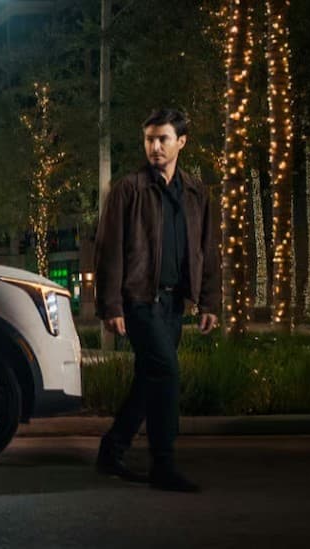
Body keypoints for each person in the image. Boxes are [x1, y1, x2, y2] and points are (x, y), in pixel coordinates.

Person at [93, 108, 221, 493]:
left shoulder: (198, 192)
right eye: (149, 138)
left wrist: (210, 301)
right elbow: (109, 251)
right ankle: (163, 464)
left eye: (163, 138)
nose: (155, 146)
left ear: (181, 142)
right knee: (165, 372)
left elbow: (208, 250)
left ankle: (112, 450)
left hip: (174, 303)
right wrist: (111, 306)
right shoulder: (129, 189)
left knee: (148, 380)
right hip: (140, 300)